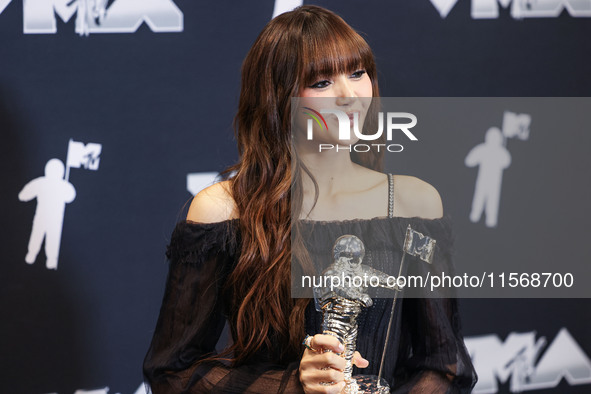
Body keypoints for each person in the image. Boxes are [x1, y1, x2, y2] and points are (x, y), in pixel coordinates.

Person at [143, 5, 477, 393]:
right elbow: (172, 371)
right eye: (321, 83)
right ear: (278, 97)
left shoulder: (413, 204)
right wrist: (291, 385)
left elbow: (444, 365)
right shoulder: (223, 210)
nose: (349, 96)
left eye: (357, 73)